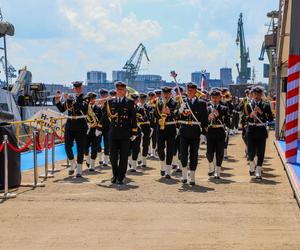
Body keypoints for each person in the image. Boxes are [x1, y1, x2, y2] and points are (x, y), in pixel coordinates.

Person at [99, 81, 138, 185]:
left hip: (125, 133)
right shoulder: (110, 102)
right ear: (116, 90)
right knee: (113, 157)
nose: (120, 91)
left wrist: (134, 132)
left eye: (122, 89)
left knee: (124, 156)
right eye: (118, 89)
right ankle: (115, 175)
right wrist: (99, 127)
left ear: (125, 91)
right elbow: (104, 116)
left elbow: (133, 118)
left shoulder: (130, 102)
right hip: (113, 133)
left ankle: (120, 177)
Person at [54, 81, 88, 178]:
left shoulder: (85, 98)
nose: (77, 89)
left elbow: (82, 108)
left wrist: (69, 99)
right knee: (67, 146)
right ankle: (72, 163)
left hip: (81, 124)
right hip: (70, 124)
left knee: (80, 148)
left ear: (81, 88)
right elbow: (62, 109)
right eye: (75, 88)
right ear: (73, 88)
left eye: (79, 88)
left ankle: (79, 169)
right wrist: (57, 100)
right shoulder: (70, 98)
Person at [178, 82, 208, 185]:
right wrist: (180, 110)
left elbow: (204, 120)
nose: (189, 92)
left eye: (191, 90)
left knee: (194, 155)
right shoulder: (182, 101)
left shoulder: (202, 103)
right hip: (184, 130)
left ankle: (193, 177)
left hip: (195, 131)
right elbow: (176, 116)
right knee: (183, 154)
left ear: (196, 91)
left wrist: (204, 133)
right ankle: (184, 175)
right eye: (188, 90)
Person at [245, 86, 273, 179]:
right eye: (255, 94)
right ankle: (252, 163)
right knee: (250, 151)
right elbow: (243, 118)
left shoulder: (266, 105)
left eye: (259, 94)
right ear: (252, 95)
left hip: (261, 130)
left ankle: (258, 171)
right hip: (251, 130)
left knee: (261, 151)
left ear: (262, 95)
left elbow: (270, 119)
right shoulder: (248, 105)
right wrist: (250, 116)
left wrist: (261, 112)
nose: (257, 96)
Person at [154, 86, 179, 179]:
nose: (166, 95)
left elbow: (177, 114)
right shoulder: (158, 102)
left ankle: (168, 170)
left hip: (171, 126)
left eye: (167, 93)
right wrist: (160, 115)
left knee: (170, 149)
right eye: (164, 93)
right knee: (160, 148)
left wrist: (170, 112)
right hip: (160, 127)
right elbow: (154, 114)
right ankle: (162, 165)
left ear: (170, 93)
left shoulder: (174, 103)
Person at [206, 88, 230, 179]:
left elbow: (228, 122)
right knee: (209, 152)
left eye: (217, 97)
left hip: (220, 131)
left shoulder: (224, 108)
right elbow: (203, 121)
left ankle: (218, 171)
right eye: (213, 97)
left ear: (220, 98)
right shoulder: (207, 108)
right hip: (210, 131)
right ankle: (211, 165)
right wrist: (208, 118)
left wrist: (219, 115)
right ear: (211, 98)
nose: (215, 99)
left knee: (220, 152)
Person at [84, 92, 102, 171]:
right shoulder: (84, 108)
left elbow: (101, 120)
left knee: (94, 148)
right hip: (86, 131)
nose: (91, 100)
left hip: (95, 131)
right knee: (85, 148)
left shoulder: (98, 109)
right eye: (89, 98)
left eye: (92, 98)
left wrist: (99, 129)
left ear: (94, 99)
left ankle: (92, 165)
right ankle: (87, 159)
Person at [138, 93, 151, 167]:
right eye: (141, 98)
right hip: (139, 126)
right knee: (137, 143)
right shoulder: (136, 106)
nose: (142, 100)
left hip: (146, 125)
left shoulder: (148, 107)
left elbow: (150, 117)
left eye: (143, 99)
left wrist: (146, 111)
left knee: (145, 144)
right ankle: (139, 157)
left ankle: (144, 160)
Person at [98, 89, 110, 167]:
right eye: (101, 95)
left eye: (104, 95)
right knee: (97, 143)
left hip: (107, 126)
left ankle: (106, 160)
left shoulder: (109, 104)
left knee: (107, 144)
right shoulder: (97, 105)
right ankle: (100, 158)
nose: (102, 96)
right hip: (99, 127)